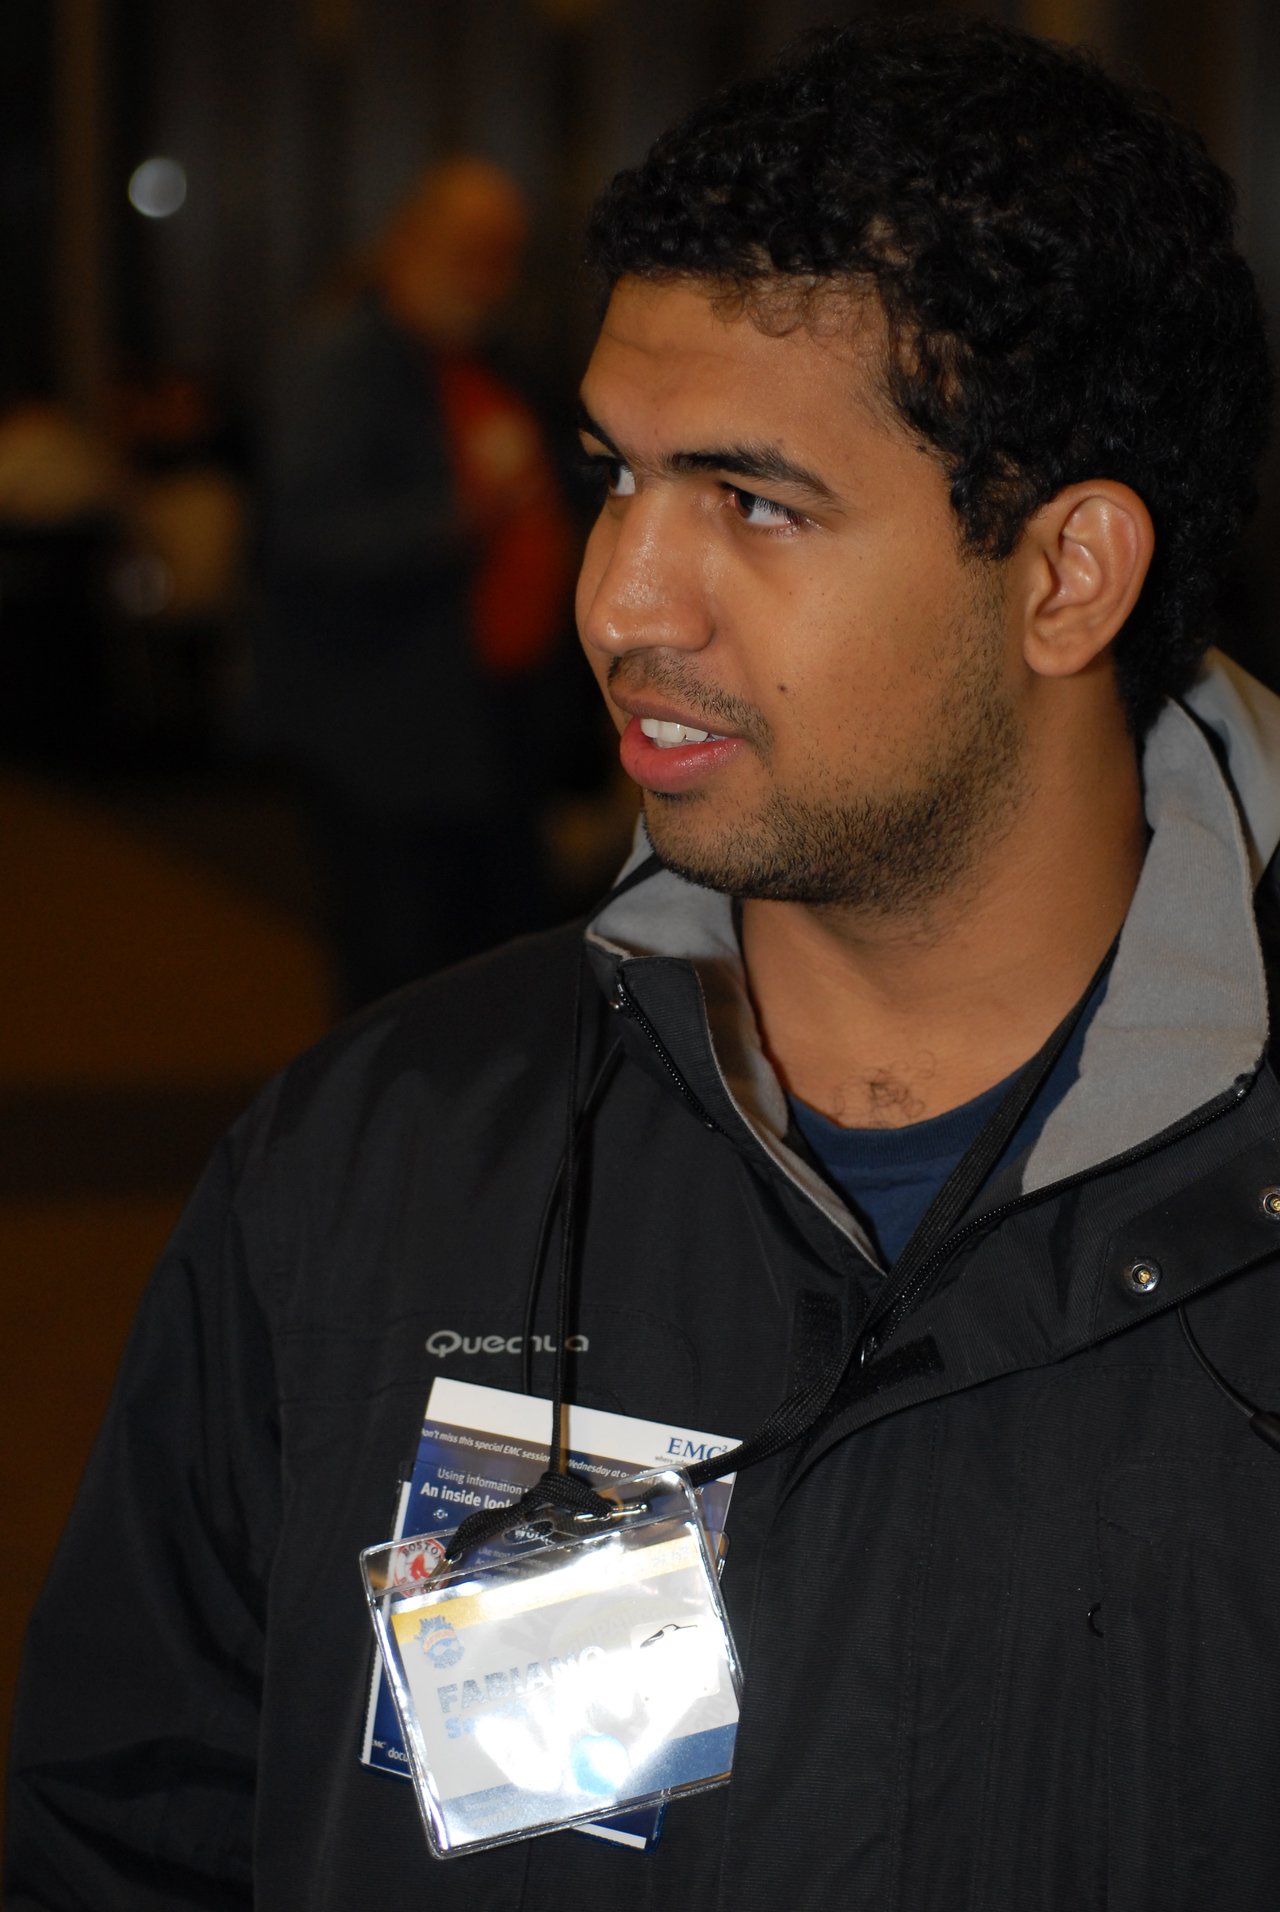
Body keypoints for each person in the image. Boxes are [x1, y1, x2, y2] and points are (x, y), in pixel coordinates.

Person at [9, 16, 1280, 1908]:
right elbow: (125, 1840)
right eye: (618, 474)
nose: (621, 598)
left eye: (754, 502)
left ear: (1065, 573)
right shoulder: (375, 1163)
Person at [255, 158, 573, 1009]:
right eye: (469, 253)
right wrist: (458, 522)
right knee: (400, 977)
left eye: (503, 257)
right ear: (408, 243)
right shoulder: (344, 361)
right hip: (388, 737)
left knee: (501, 972)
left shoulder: (497, 363)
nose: (488, 278)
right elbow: (305, 534)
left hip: (495, 724)